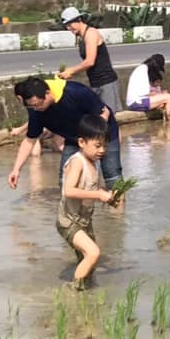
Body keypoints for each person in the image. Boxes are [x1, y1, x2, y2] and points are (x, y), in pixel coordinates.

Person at [8, 76, 122, 189]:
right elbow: (30, 140)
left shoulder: (76, 92)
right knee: (65, 181)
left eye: (38, 104)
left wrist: (93, 147)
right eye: (32, 106)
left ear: (48, 93)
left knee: (113, 178)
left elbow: (103, 116)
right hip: (73, 138)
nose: (36, 109)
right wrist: (16, 169)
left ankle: (115, 203)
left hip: (103, 135)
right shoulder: (35, 109)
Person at [56, 115, 120, 290]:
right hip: (68, 221)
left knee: (89, 265)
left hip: (84, 222)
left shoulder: (93, 163)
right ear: (82, 142)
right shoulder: (77, 163)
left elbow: (92, 188)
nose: (102, 150)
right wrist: (99, 195)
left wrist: (108, 197)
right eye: (98, 145)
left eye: (105, 146)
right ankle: (71, 293)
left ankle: (85, 296)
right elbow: (69, 191)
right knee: (93, 253)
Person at [58, 6, 121, 114]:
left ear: (78, 20)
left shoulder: (91, 33)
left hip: (106, 82)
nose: (69, 28)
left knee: (111, 118)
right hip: (95, 83)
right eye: (66, 26)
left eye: (70, 25)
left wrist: (71, 71)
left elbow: (90, 61)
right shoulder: (81, 37)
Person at [126, 53, 170, 120]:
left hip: (135, 102)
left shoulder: (142, 68)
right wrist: (161, 94)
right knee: (168, 97)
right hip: (136, 102)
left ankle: (164, 123)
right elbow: (147, 93)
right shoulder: (143, 70)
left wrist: (160, 95)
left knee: (162, 103)